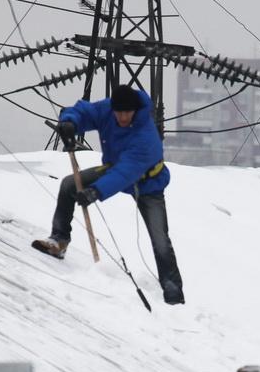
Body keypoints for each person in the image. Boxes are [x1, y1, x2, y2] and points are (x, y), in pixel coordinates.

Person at [32, 85, 185, 305]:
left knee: (160, 238)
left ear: (135, 111)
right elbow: (85, 111)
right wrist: (70, 122)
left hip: (148, 182)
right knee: (68, 185)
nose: (122, 117)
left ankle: (173, 290)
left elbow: (127, 172)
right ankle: (59, 239)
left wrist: (96, 191)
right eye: (118, 112)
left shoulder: (146, 136)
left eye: (127, 113)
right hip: (114, 169)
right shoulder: (108, 110)